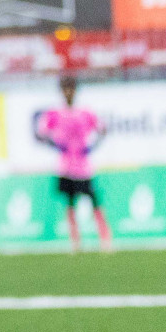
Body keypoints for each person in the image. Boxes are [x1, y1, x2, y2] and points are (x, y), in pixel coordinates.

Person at [35, 75, 110, 251]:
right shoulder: (55, 114)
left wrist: (92, 146)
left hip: (83, 167)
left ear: (75, 91)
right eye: (65, 89)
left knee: (94, 200)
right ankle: (75, 241)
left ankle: (105, 238)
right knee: (69, 203)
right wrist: (54, 144)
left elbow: (102, 129)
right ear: (62, 92)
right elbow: (40, 133)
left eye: (71, 89)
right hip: (66, 167)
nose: (68, 92)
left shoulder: (85, 113)